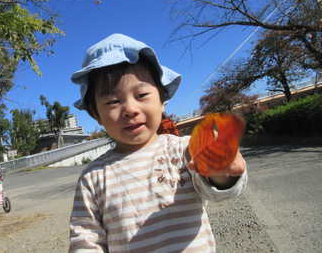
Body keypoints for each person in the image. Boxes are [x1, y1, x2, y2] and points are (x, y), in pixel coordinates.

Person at [69, 33, 247, 253]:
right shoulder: (93, 177)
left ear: (162, 101)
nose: (130, 110)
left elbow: (215, 191)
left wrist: (221, 172)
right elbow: (85, 238)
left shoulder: (184, 149)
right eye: (113, 101)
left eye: (141, 94)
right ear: (96, 115)